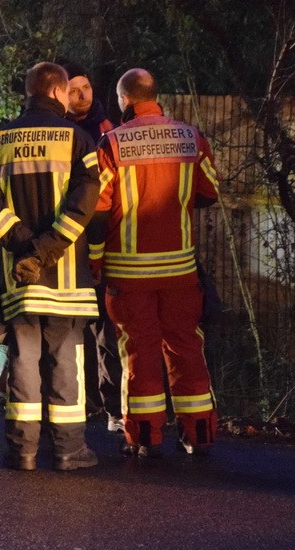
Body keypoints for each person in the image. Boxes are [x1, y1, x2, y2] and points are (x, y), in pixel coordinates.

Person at [0, 62, 101, 471]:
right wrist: (45, 248)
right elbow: (84, 204)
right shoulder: (78, 140)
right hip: (66, 280)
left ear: (28, 92)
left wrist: (23, 247)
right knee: (65, 361)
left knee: (23, 362)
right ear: (60, 93)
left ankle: (22, 451)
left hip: (18, 277)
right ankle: (68, 450)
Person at [89, 68, 220, 458]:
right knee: (186, 347)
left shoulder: (111, 143)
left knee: (139, 351)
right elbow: (209, 193)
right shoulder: (190, 137)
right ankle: (199, 434)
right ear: (153, 94)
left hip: (129, 273)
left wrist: (96, 260)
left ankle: (145, 438)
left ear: (124, 100)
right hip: (180, 270)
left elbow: (98, 210)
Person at [61, 61, 123, 434]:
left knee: (106, 331)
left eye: (85, 87)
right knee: (69, 330)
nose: (82, 94)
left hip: (100, 242)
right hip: (66, 240)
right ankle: (76, 405)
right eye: (73, 89)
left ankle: (113, 408)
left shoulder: (108, 130)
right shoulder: (58, 133)